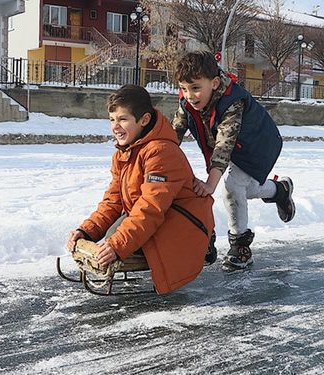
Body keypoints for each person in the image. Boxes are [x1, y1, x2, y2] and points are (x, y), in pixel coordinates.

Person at [67, 85, 215, 294]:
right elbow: (113, 200)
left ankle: (201, 247)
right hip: (155, 217)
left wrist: (117, 246)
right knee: (110, 237)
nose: (115, 127)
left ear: (144, 120)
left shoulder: (161, 152)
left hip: (184, 225)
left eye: (123, 119)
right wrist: (86, 231)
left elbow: (151, 208)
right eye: (112, 120)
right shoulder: (125, 152)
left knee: (116, 242)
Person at [171, 51, 295, 272]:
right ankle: (280, 191)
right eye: (184, 88)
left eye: (196, 88)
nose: (189, 95)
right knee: (247, 189)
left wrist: (211, 184)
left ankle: (240, 247)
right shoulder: (187, 103)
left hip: (258, 145)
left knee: (232, 185)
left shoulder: (233, 101)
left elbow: (224, 145)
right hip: (236, 147)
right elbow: (173, 135)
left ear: (215, 82)